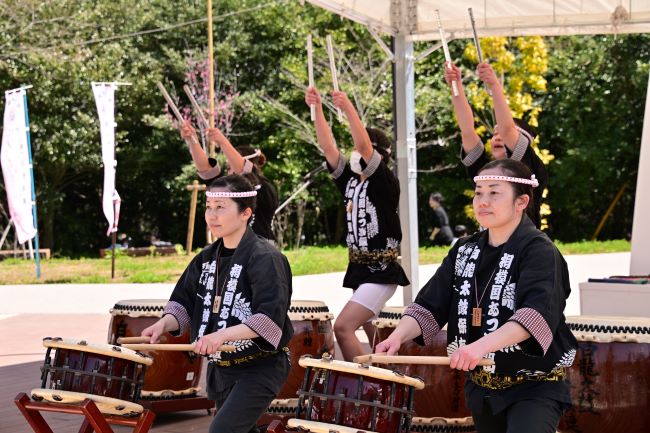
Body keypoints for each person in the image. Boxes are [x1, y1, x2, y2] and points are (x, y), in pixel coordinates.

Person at [377, 159, 577, 433]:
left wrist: (480, 346)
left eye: (495, 193)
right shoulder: (464, 250)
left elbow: (535, 315)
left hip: (535, 387)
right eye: (479, 193)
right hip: (482, 387)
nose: (483, 201)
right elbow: (429, 304)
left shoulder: (539, 251)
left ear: (521, 202)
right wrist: (397, 336)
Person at [142, 174, 293, 433]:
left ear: (245, 213)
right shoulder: (206, 258)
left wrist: (221, 335)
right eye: (209, 207)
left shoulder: (265, 257)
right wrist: (163, 324)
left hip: (260, 367)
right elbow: (183, 303)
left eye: (220, 207)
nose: (212, 215)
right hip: (222, 369)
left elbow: (269, 319)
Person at [305, 86, 409, 362]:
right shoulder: (350, 181)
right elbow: (328, 147)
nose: (354, 153)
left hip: (381, 270)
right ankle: (385, 381)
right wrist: (317, 110)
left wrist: (347, 107)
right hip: (359, 270)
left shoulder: (384, 181)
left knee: (343, 327)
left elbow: (363, 146)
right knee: (372, 335)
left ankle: (364, 386)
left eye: (359, 149)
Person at [444, 62, 548, 229]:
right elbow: (467, 130)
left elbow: (507, 129)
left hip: (522, 248)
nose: (498, 137)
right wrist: (456, 86)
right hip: (490, 246)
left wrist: (494, 84)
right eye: (494, 133)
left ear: (524, 141)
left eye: (504, 135)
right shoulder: (485, 170)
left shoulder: (531, 167)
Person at [180, 122, 279, 241]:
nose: (229, 171)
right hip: (231, 250)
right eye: (228, 167)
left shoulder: (264, 188)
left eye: (231, 165)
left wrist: (222, 141)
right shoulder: (228, 187)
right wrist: (192, 141)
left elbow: (244, 171)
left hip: (261, 251)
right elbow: (206, 170)